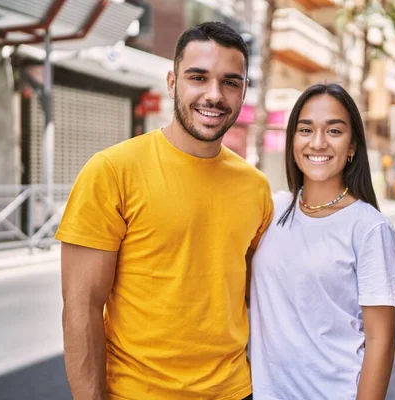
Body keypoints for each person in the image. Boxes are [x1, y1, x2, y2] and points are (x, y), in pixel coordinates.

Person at [57, 22, 273, 400]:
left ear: (243, 93)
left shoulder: (256, 187)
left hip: (236, 392)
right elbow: (82, 308)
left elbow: (255, 298)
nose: (214, 95)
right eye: (198, 77)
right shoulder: (112, 170)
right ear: (172, 83)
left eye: (230, 82)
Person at [248, 83, 395, 399]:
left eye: (333, 131)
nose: (318, 143)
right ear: (292, 140)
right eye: (306, 130)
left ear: (352, 146)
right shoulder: (269, 210)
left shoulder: (369, 228)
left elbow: (380, 341)